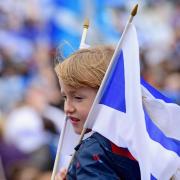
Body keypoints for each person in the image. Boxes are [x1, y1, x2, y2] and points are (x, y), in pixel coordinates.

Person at [54, 46, 141, 179]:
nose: (67, 108)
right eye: (65, 97)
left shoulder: (91, 153)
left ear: (107, 98)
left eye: (78, 98)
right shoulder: (135, 137)